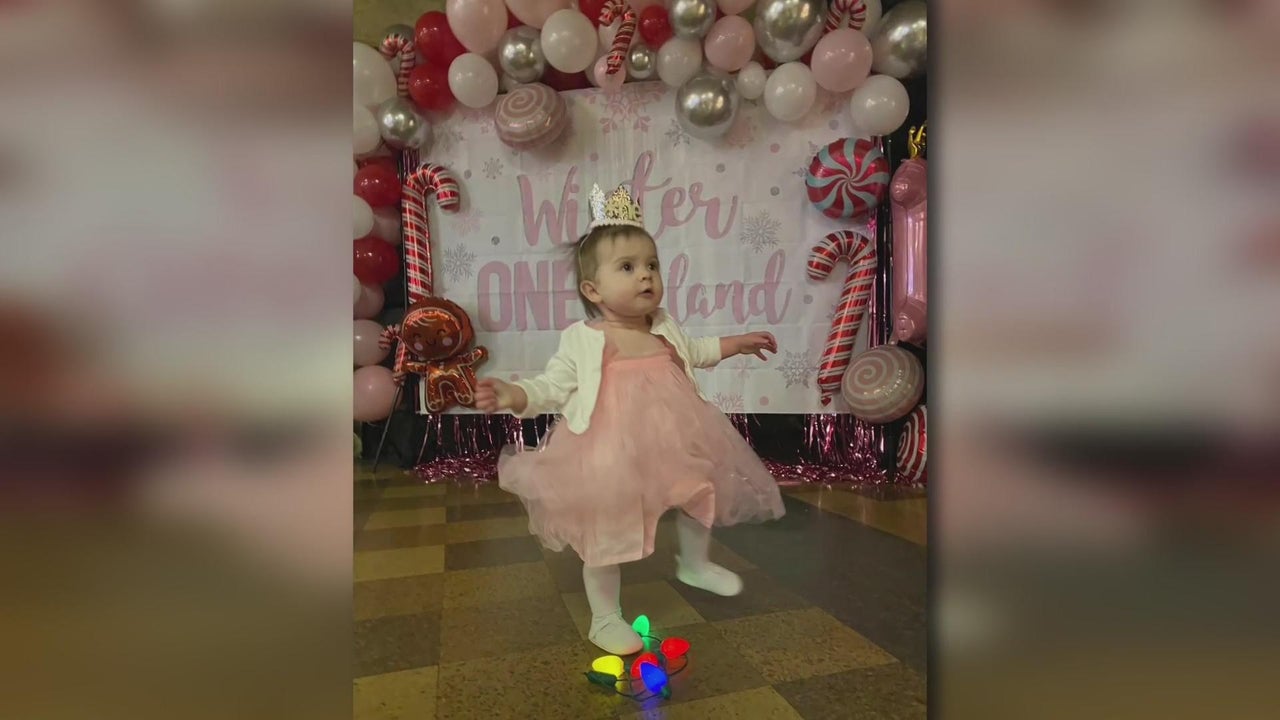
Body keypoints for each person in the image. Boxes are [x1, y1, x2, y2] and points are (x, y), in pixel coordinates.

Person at [475, 183, 786, 655]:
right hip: (609, 453)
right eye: (627, 267)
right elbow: (553, 385)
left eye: (652, 265)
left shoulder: (663, 327)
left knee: (699, 489)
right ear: (593, 289)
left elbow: (695, 351)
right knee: (609, 528)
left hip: (672, 441)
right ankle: (604, 617)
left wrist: (733, 344)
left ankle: (694, 564)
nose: (645, 276)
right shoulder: (585, 339)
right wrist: (516, 393)